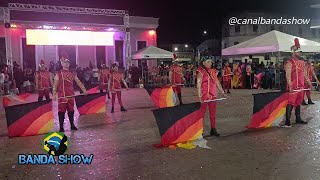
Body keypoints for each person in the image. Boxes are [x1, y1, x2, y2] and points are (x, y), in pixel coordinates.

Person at [53, 54, 87, 132]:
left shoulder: (72, 73)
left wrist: (84, 90)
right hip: (62, 96)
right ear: (61, 63)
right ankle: (61, 127)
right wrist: (54, 94)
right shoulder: (59, 74)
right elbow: (55, 85)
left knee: (71, 111)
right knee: (61, 111)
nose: (66, 64)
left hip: (71, 95)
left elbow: (78, 82)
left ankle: (72, 125)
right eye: (65, 62)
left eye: (68, 62)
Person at [282, 38, 312, 128]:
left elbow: (304, 74)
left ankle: (298, 119)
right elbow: (288, 76)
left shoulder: (302, 62)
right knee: (291, 102)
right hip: (294, 87)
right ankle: (287, 121)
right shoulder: (289, 63)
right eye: (299, 52)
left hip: (301, 86)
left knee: (298, 102)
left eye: (300, 52)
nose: (300, 53)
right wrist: (290, 85)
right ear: (294, 52)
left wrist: (309, 83)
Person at [197, 56, 228, 136]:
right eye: (208, 62)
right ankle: (200, 131)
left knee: (213, 113)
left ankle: (213, 129)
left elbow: (217, 82)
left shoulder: (213, 71)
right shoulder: (200, 71)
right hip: (205, 96)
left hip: (213, 95)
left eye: (210, 62)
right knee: (202, 114)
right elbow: (199, 84)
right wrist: (200, 96)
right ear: (203, 63)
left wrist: (222, 92)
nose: (210, 63)